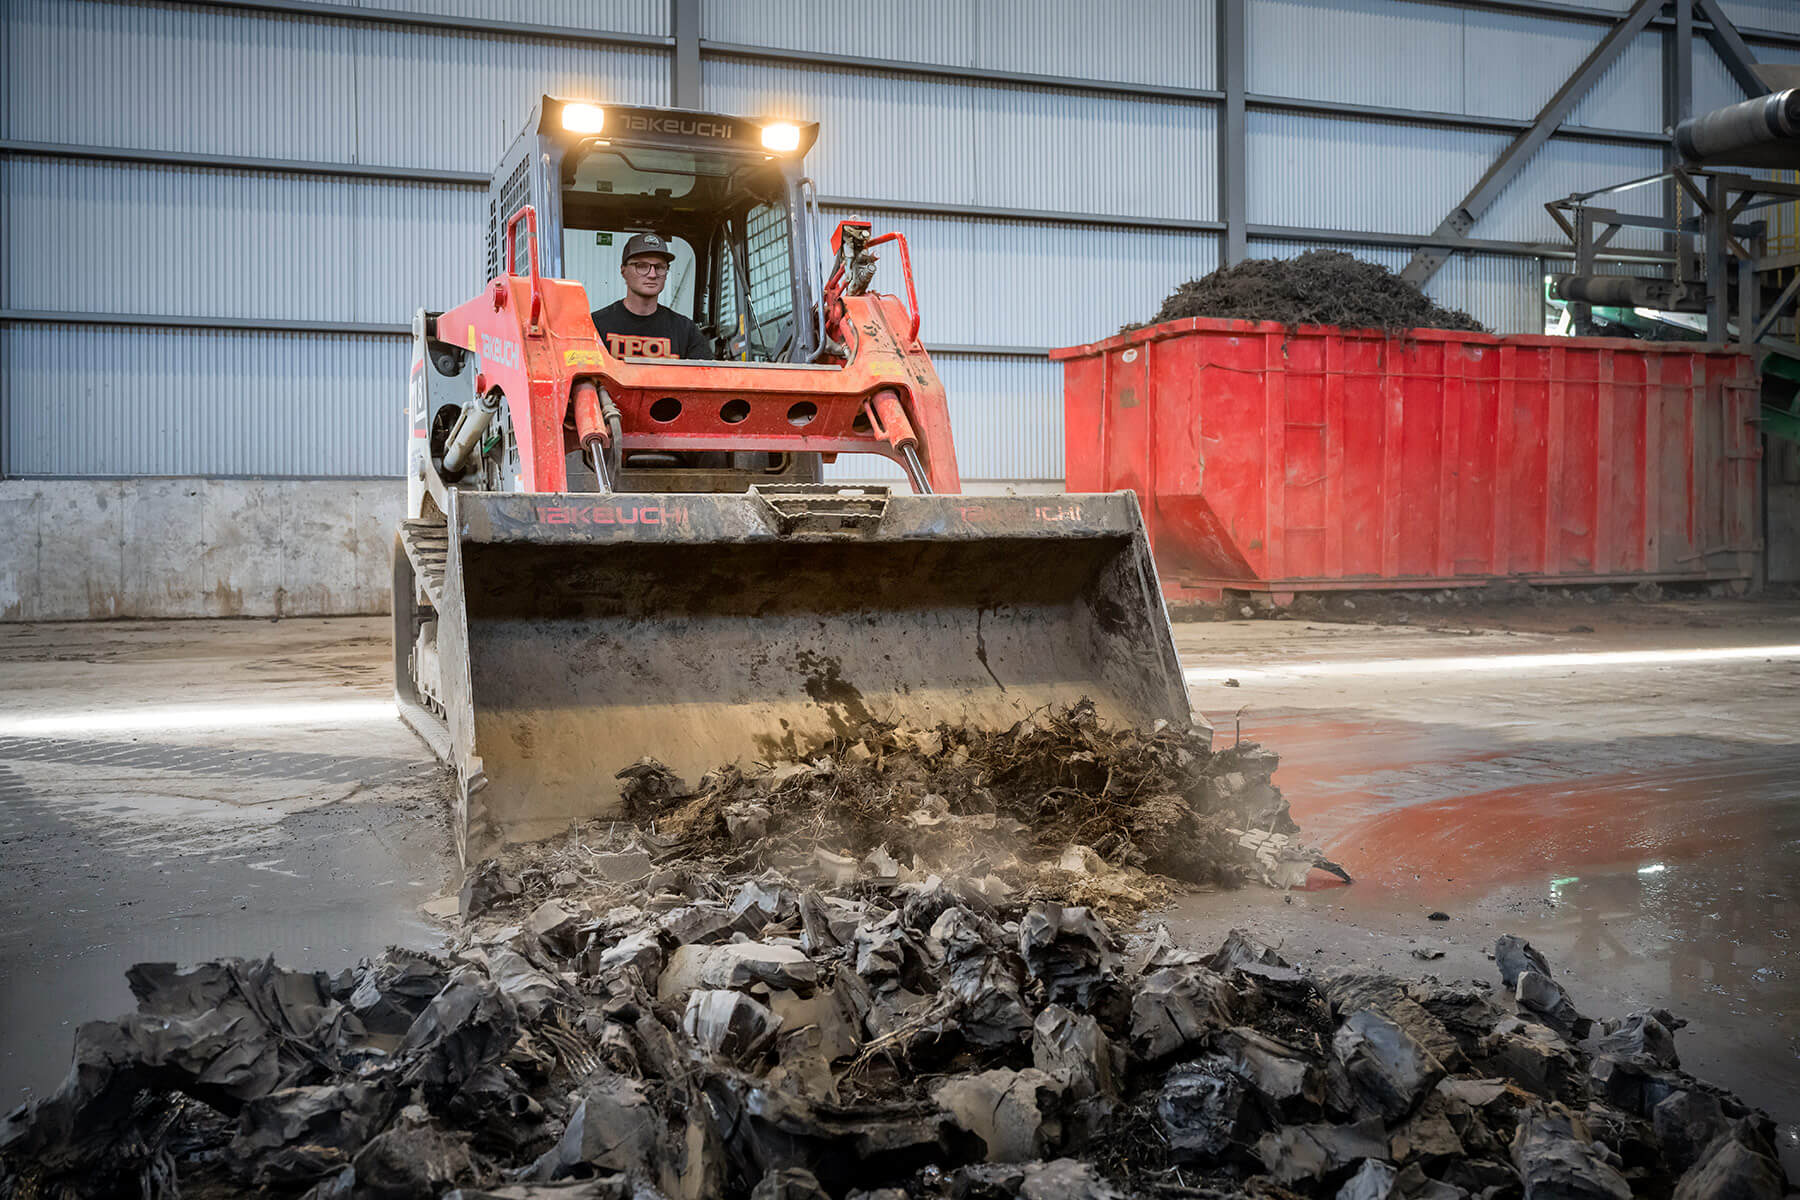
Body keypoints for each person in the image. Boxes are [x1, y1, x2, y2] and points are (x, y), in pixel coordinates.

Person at [590, 233, 712, 360]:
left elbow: (704, 376)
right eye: (642, 266)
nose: (652, 275)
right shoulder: (595, 326)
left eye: (659, 267)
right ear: (623, 271)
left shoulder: (687, 332)